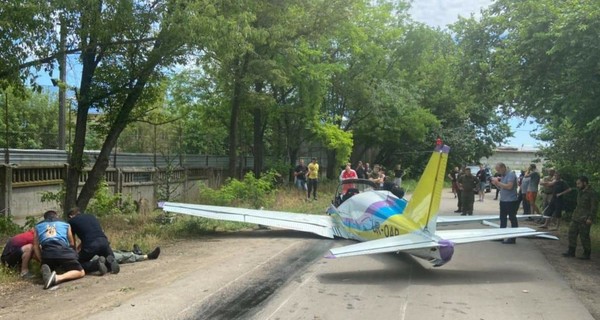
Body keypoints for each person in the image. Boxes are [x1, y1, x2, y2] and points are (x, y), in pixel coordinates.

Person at [33, 210, 85, 289]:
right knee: (81, 272)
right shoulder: (66, 224)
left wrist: (41, 260)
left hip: (47, 253)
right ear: (56, 216)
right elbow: (71, 243)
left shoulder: (37, 226)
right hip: (63, 251)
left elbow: (35, 246)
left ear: (45, 218)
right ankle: (57, 278)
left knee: (49, 263)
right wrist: (73, 255)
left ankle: (46, 267)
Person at [68, 207, 119, 275]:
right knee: (109, 259)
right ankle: (110, 261)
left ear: (70, 216)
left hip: (91, 245)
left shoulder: (71, 221)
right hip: (104, 241)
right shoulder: (91, 216)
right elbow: (93, 233)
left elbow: (72, 241)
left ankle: (96, 264)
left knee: (76, 265)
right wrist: (80, 246)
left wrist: (74, 253)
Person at [562, 176, 598, 260]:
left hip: (585, 218)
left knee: (584, 236)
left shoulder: (591, 193)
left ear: (585, 183)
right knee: (571, 233)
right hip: (576, 216)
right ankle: (571, 251)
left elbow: (594, 207)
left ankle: (586, 253)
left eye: (579, 183)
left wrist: (590, 218)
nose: (577, 185)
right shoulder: (580, 192)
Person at [491, 163, 519, 244]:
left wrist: (498, 182)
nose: (498, 172)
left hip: (511, 201)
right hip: (503, 200)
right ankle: (501, 236)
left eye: (499, 170)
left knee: (512, 218)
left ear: (503, 167)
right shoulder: (503, 176)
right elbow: (502, 188)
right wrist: (496, 184)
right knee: (502, 219)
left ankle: (513, 238)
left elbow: (509, 187)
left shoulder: (511, 175)